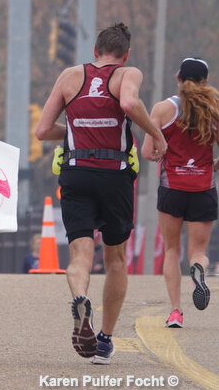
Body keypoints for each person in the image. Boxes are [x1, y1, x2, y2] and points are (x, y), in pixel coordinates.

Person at [35, 23, 167, 365]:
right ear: (124, 55)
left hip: (76, 174)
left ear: (95, 50)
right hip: (115, 176)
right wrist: (156, 134)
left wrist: (78, 128)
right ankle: (105, 339)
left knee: (80, 254)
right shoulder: (128, 73)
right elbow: (128, 102)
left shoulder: (69, 76)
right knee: (115, 259)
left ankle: (81, 298)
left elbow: (42, 130)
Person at [141, 57, 219, 328]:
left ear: (177, 77)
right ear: (205, 81)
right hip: (203, 189)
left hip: (172, 189)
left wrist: (163, 155)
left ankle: (175, 311)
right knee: (199, 250)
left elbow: (147, 152)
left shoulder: (163, 109)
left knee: (172, 250)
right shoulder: (215, 109)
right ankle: (198, 269)